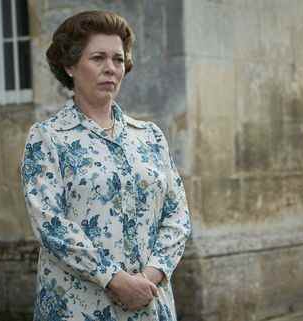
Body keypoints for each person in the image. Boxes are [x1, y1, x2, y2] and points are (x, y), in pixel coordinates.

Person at [21, 11, 191, 321]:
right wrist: (113, 278)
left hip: (150, 304)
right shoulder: (48, 138)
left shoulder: (150, 136)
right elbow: (50, 224)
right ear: (70, 65)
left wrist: (149, 278)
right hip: (78, 307)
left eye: (118, 58)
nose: (111, 68)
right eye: (98, 58)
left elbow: (177, 216)